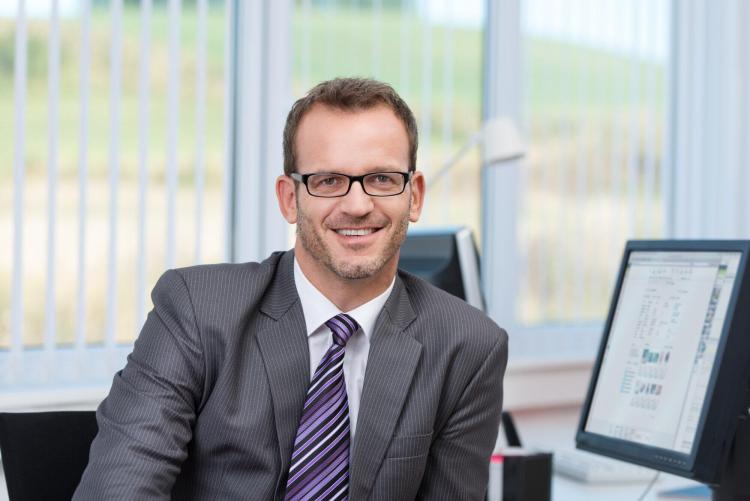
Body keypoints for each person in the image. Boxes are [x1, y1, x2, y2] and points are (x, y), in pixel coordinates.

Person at [74, 77, 508, 501]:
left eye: (381, 179)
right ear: (289, 198)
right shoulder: (197, 309)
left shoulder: (468, 347)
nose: (358, 205)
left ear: (413, 196)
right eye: (328, 181)